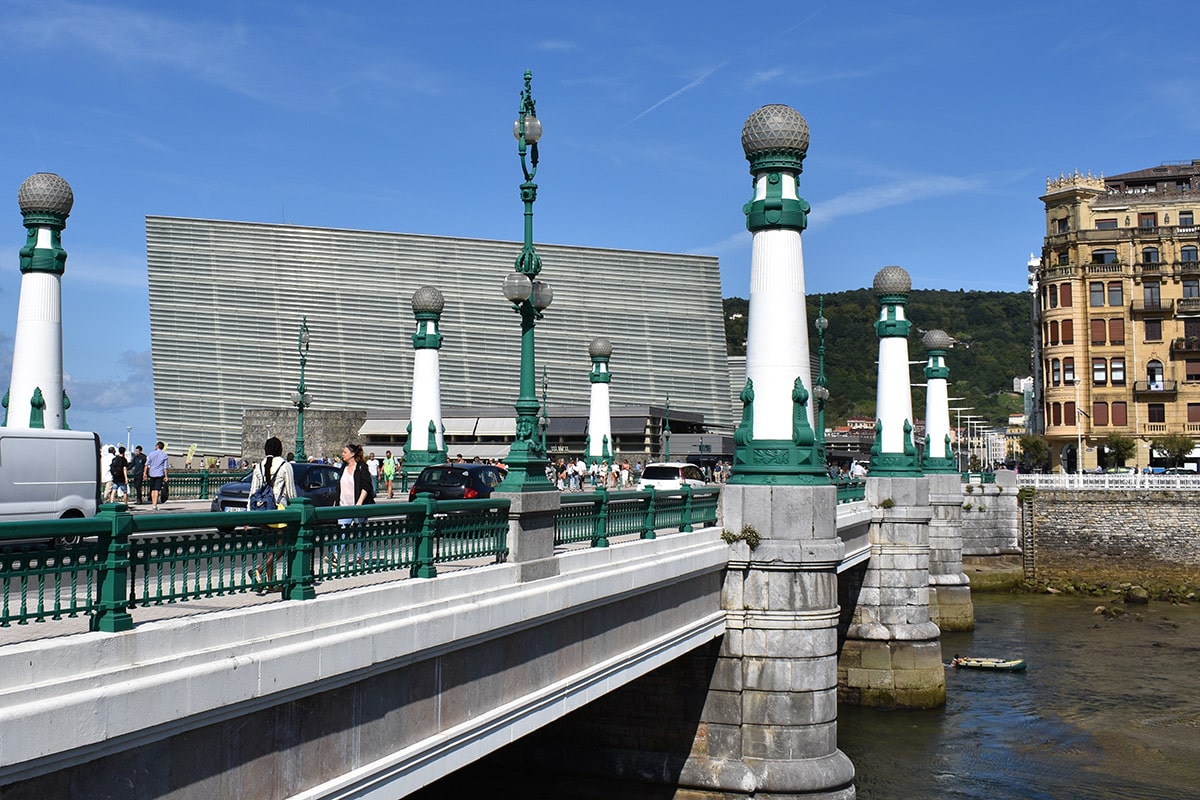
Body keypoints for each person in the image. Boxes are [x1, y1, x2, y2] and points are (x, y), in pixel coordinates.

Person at [247, 436, 296, 594]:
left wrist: (248, 515)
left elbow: (253, 492)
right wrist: (296, 508)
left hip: (263, 511)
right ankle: (259, 570)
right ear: (280, 449)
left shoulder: (259, 466)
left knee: (269, 547)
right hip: (279, 510)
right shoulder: (285, 465)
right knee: (282, 546)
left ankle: (270, 583)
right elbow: (291, 492)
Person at [332, 443, 375, 566]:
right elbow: (339, 487)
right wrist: (336, 502)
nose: (342, 454)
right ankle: (336, 556)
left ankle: (360, 557)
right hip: (344, 505)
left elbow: (366, 486)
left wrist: (359, 502)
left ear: (352, 454)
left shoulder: (361, 467)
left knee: (359, 532)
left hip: (357, 506)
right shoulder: (343, 467)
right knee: (343, 531)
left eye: (345, 452)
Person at [145, 441, 170, 510]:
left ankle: (153, 503)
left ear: (157, 446)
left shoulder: (151, 454)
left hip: (152, 473)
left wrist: (144, 474)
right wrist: (166, 476)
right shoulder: (164, 455)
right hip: (159, 474)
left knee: (152, 489)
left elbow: (146, 465)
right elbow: (165, 467)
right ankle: (155, 505)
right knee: (156, 490)